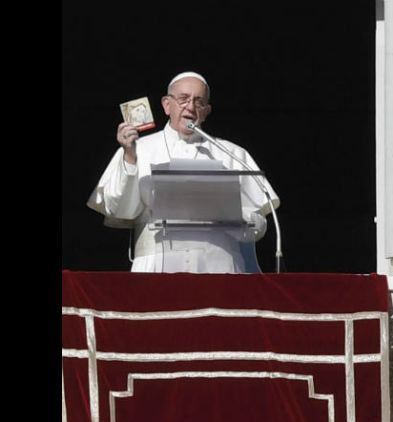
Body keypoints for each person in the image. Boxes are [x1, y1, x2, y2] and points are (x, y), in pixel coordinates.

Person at [87, 71, 280, 273]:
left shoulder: (233, 153)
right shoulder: (138, 149)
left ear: (206, 111)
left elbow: (259, 225)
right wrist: (129, 158)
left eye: (199, 102)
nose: (190, 107)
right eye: (183, 99)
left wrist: (230, 215)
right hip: (156, 266)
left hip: (220, 268)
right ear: (166, 105)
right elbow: (118, 208)